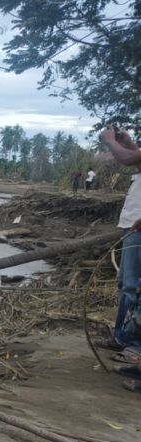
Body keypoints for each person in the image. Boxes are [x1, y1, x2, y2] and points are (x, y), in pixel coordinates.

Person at [97, 127, 141, 393]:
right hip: (133, 227)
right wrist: (128, 143)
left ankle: (132, 346)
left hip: (138, 229)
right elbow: (133, 159)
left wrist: (111, 141)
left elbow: (126, 159)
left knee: (132, 288)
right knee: (126, 286)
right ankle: (125, 341)